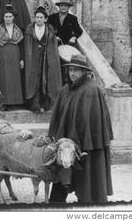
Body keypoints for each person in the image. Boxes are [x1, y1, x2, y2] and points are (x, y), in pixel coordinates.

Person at [48, 54, 113, 204]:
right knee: (62, 173)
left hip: (87, 145)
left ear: (84, 72)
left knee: (87, 179)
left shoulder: (92, 90)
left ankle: (86, 202)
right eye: (71, 69)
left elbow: (94, 121)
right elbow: (58, 116)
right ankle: (56, 203)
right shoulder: (65, 90)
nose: (72, 73)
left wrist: (82, 141)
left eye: (77, 70)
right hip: (66, 145)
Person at [24, 6, 62, 112]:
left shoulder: (50, 29)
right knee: (35, 79)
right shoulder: (29, 29)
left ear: (45, 18)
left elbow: (53, 46)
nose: (39, 19)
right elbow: (27, 46)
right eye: (37, 17)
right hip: (33, 58)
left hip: (46, 58)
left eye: (41, 17)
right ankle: (35, 104)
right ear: (34, 18)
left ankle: (45, 103)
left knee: (45, 79)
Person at [0, 6, 25, 109]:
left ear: (13, 18)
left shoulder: (18, 29)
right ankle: (4, 102)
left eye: (9, 16)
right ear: (3, 17)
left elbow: (21, 45)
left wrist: (22, 59)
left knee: (14, 78)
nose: (7, 18)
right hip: (3, 55)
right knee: (4, 78)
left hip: (15, 55)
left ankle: (14, 101)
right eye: (6, 16)